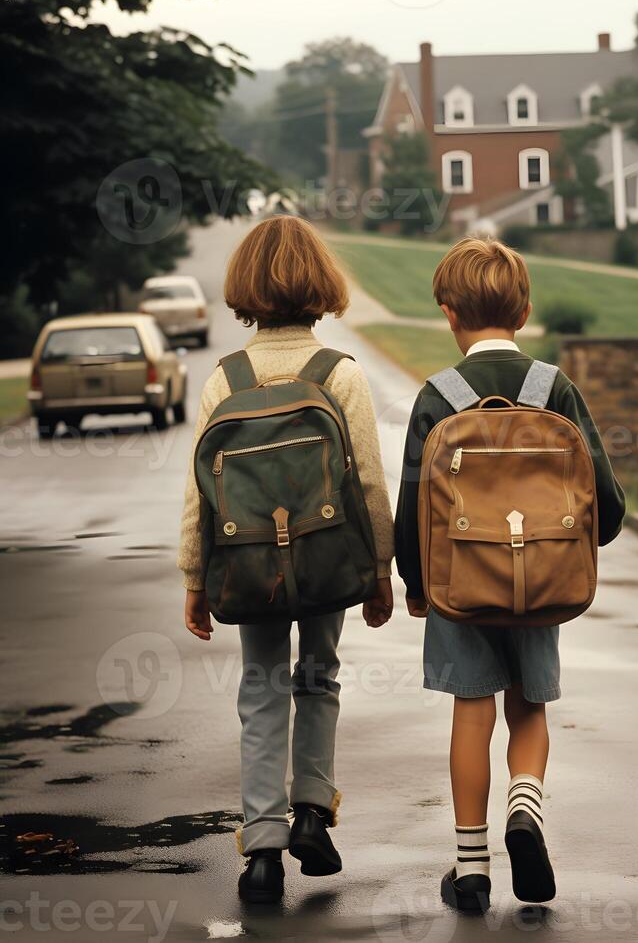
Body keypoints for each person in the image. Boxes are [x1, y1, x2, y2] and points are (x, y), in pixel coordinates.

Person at [395, 238, 625, 911]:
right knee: (528, 708)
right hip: (542, 582)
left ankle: (471, 870)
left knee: (473, 713)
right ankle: (526, 811)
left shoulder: (437, 397)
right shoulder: (554, 389)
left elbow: (414, 509)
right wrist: (586, 543)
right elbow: (603, 499)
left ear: (447, 314)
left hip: (460, 586)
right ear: (523, 311)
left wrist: (417, 585)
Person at [177, 216, 395, 903]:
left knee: (260, 690)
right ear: (320, 285)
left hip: (246, 564)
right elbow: (366, 485)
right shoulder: (341, 373)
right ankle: (312, 815)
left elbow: (199, 493)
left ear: (245, 288)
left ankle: (263, 847)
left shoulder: (225, 379)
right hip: (327, 559)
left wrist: (194, 578)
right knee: (319, 676)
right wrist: (381, 572)